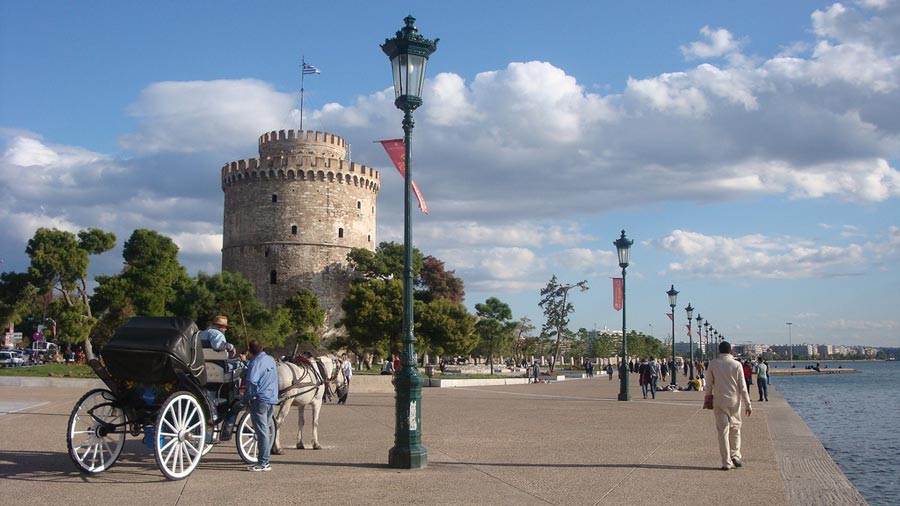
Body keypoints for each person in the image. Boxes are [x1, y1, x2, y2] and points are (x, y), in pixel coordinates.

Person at [707, 341, 752, 471]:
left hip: (719, 400)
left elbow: (709, 384)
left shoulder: (713, 364)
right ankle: (735, 454)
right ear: (730, 351)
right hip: (734, 401)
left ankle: (726, 462)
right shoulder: (737, 364)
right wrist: (748, 404)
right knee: (736, 428)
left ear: (719, 351)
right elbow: (742, 386)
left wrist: (708, 399)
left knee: (722, 431)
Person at [243, 339, 278, 472]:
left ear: (250, 351)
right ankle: (265, 458)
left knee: (261, 431)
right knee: (266, 429)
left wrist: (247, 397)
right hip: (271, 399)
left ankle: (264, 462)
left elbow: (252, 379)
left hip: (260, 399)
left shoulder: (256, 362)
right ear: (262, 348)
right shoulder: (270, 359)